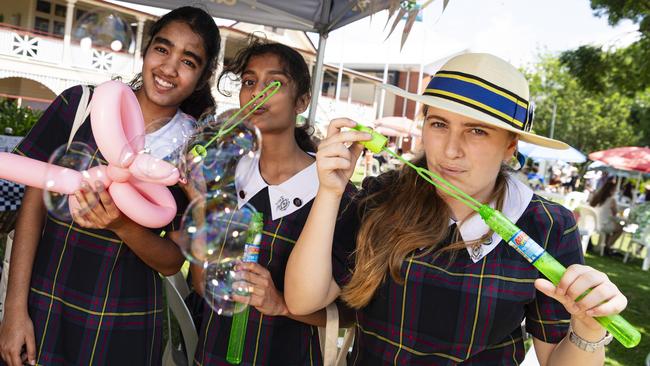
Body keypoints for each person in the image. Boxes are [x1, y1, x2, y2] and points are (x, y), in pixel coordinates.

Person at [286, 53, 628, 365]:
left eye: (476, 131)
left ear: (511, 145)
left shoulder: (547, 225)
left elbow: (555, 359)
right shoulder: (382, 196)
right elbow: (303, 301)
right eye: (439, 124)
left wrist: (588, 328)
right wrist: (331, 192)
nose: (450, 150)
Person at [0, 7, 220, 365]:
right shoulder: (80, 107)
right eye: (162, 49)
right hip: (45, 301)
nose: (168, 68)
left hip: (124, 321)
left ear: (203, 76)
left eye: (189, 61)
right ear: (147, 50)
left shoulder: (194, 151)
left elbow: (171, 261)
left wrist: (120, 224)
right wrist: (14, 309)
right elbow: (33, 205)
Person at [191, 38, 356, 365]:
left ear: (303, 101)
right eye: (250, 82)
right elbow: (198, 284)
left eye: (275, 83)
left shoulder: (339, 197)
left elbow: (351, 313)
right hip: (211, 353)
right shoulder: (223, 175)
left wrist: (280, 302)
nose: (257, 93)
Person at [589, 179, 624, 255]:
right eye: (614, 190)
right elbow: (615, 214)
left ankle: (604, 246)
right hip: (603, 225)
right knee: (620, 228)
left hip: (594, 223)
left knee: (612, 227)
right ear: (611, 190)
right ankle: (608, 246)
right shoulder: (612, 200)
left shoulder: (597, 197)